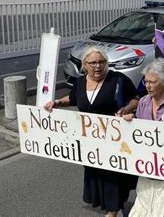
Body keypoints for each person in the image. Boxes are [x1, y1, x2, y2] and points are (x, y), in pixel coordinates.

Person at [44, 48, 140, 217]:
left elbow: (136, 99)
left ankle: (113, 211)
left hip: (114, 139)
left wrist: (126, 108)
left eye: (101, 62)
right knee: (97, 173)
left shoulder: (118, 79)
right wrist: (57, 102)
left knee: (112, 175)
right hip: (90, 141)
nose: (98, 66)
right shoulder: (80, 82)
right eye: (93, 63)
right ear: (85, 65)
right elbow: (73, 99)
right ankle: (110, 204)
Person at [123, 58, 164, 217]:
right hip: (148, 168)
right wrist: (130, 122)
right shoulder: (144, 102)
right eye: (146, 81)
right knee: (142, 210)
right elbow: (138, 133)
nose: (147, 86)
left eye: (152, 82)